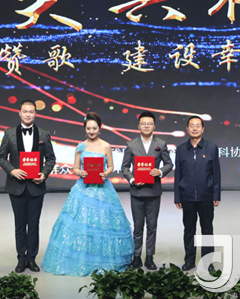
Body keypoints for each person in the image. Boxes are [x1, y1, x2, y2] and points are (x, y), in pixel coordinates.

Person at [41, 112, 134, 276]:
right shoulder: (80, 147)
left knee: (103, 225)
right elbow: (75, 168)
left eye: (94, 128)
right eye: (89, 128)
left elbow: (111, 166)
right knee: (81, 225)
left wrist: (106, 173)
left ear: (100, 128)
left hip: (103, 189)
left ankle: (103, 261)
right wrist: (81, 172)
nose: (91, 131)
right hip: (84, 189)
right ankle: (81, 260)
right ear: (85, 129)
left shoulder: (106, 146)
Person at [0, 99, 56, 273]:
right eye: (25, 111)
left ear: (35, 113)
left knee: (34, 224)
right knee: (20, 225)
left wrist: (44, 173)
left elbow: (51, 158)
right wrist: (12, 170)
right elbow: (1, 157)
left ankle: (32, 259)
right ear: (19, 113)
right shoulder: (9, 133)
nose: (28, 114)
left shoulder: (44, 134)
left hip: (36, 186)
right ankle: (21, 259)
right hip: (16, 186)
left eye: (31, 111)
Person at [121, 111, 173, 270]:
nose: (146, 126)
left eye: (149, 123)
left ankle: (150, 257)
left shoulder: (161, 144)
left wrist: (160, 172)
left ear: (154, 126)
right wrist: (132, 179)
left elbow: (169, 164)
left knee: (152, 226)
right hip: (136, 191)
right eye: (143, 123)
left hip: (153, 191)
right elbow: (125, 167)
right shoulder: (131, 144)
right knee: (137, 227)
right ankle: (136, 257)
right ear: (138, 126)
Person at [174, 115, 221, 272]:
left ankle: (207, 261)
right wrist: (177, 196)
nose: (195, 128)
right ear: (187, 129)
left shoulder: (211, 148)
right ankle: (189, 260)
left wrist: (216, 195)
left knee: (207, 230)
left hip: (206, 196)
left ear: (203, 129)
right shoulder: (181, 149)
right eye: (192, 126)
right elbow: (178, 175)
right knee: (189, 230)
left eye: (198, 126)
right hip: (187, 196)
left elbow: (216, 174)